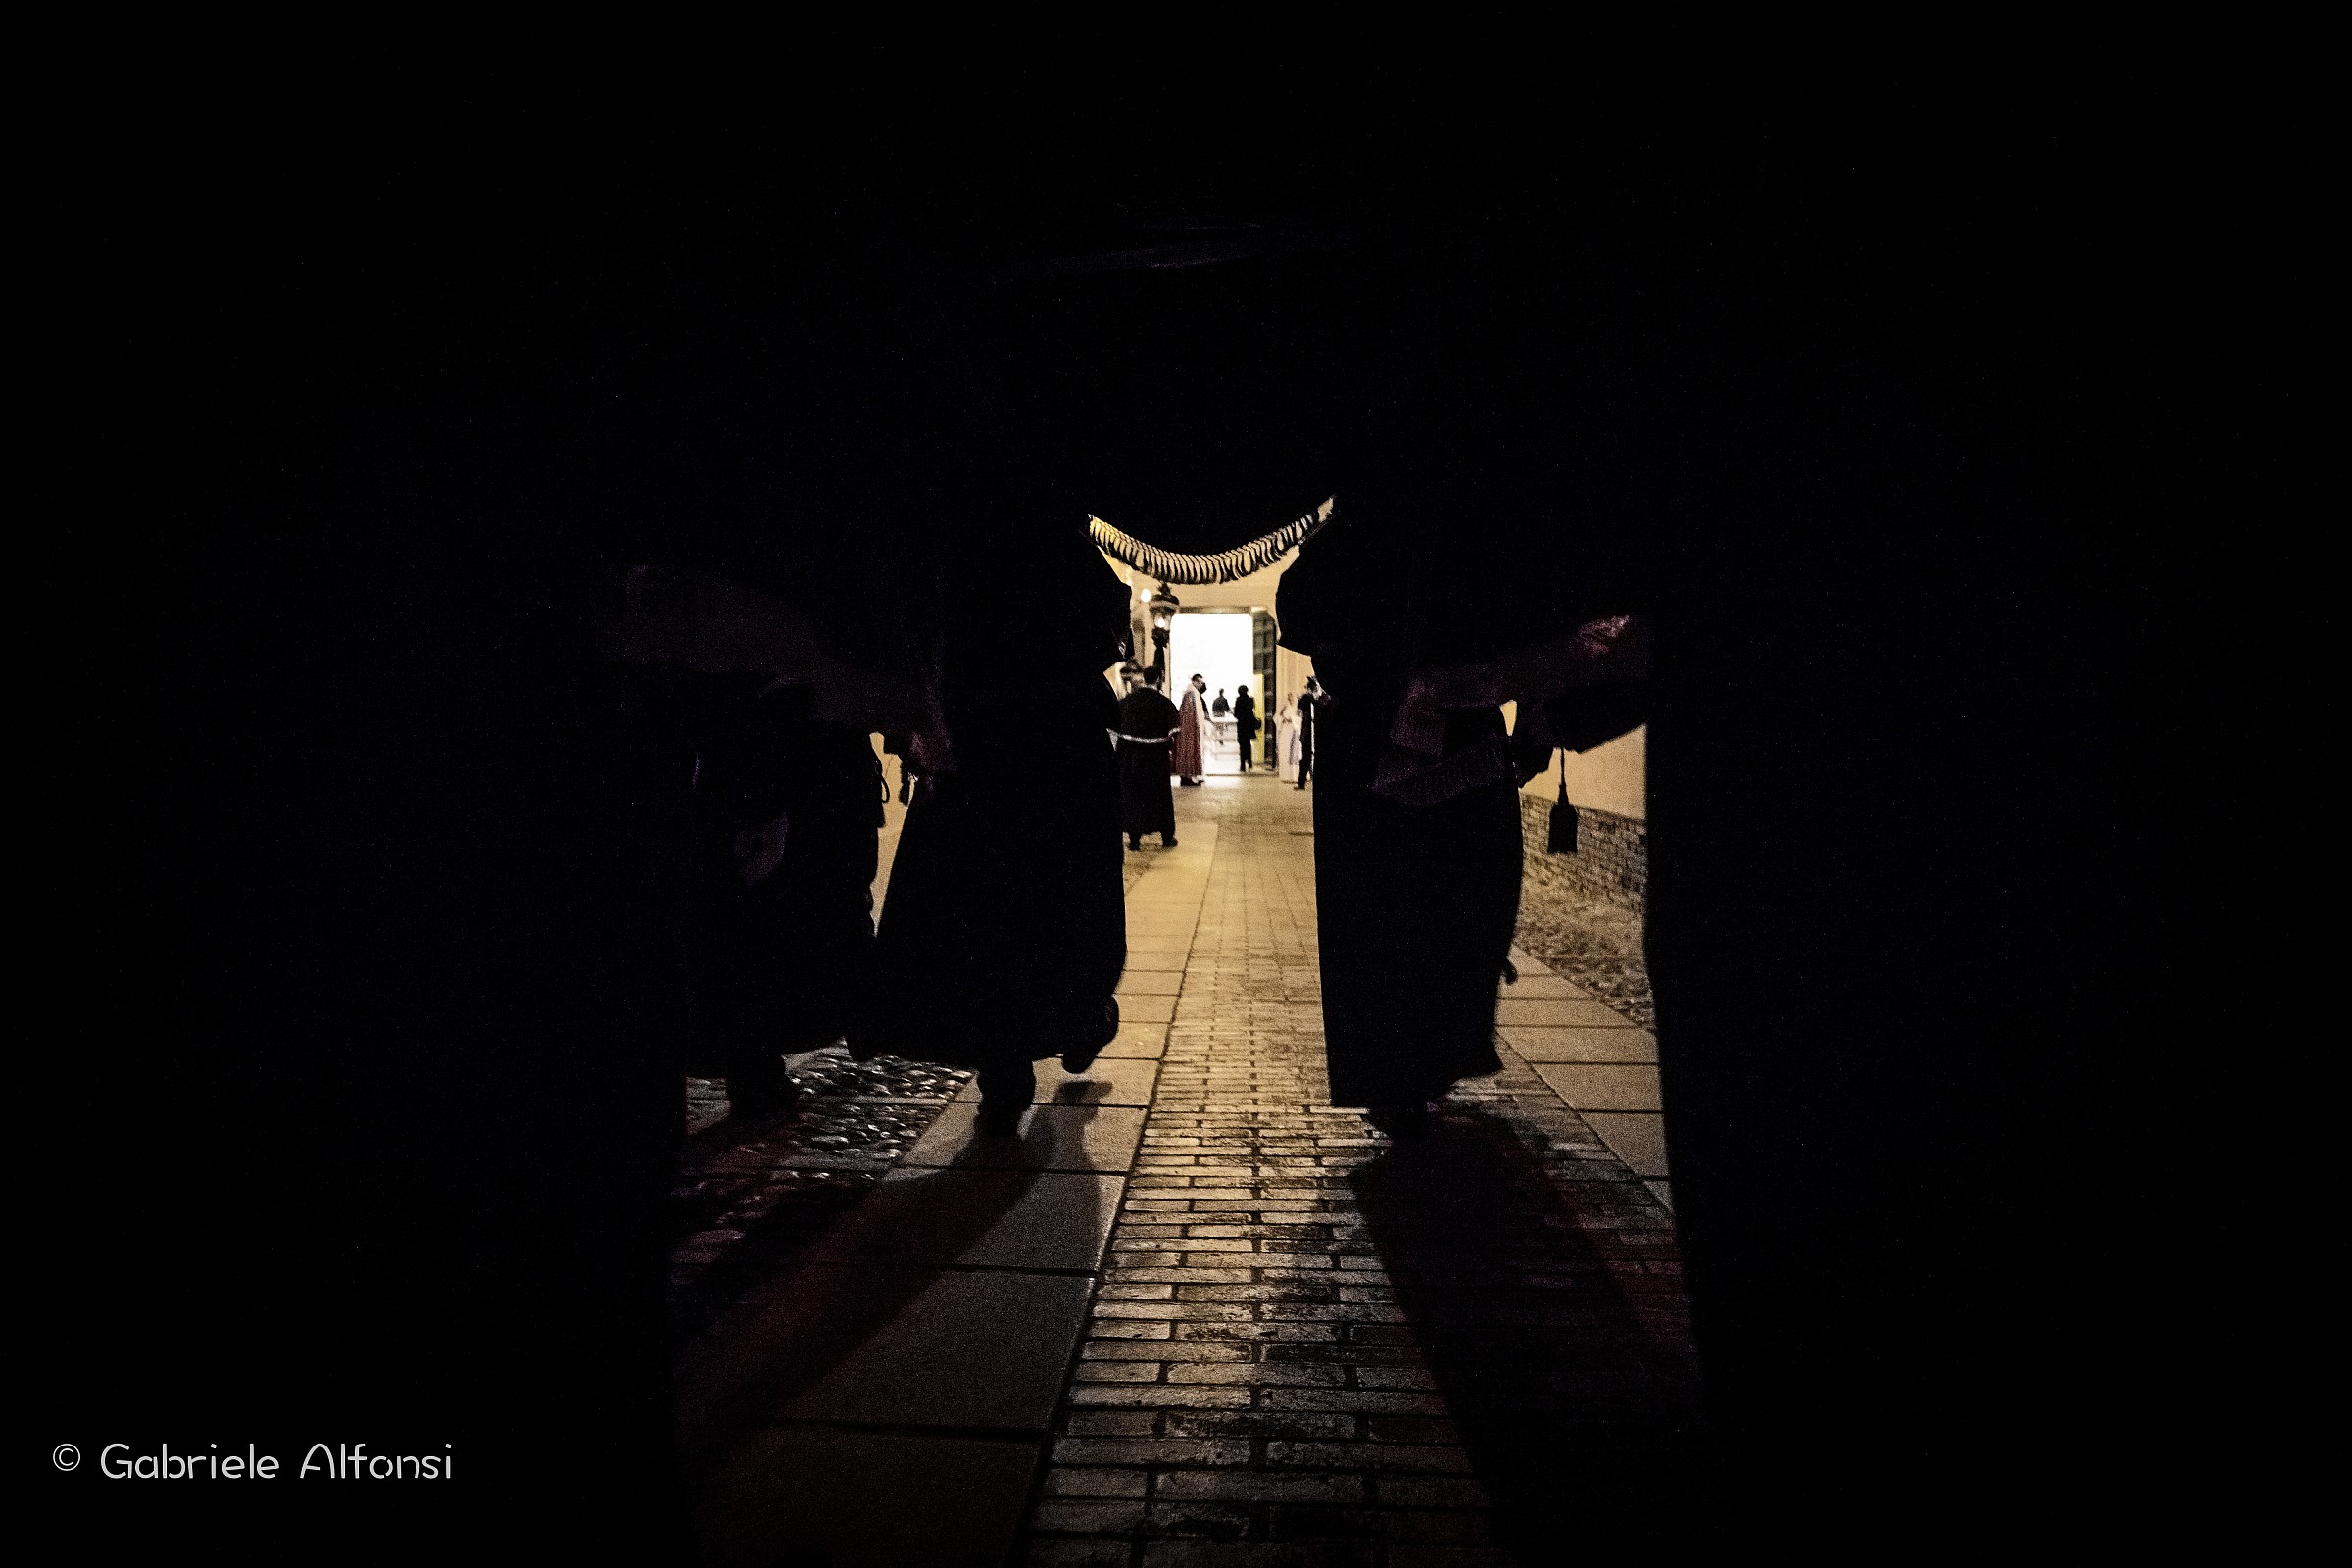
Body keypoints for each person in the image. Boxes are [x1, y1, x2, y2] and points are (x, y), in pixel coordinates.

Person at [861, 518, 1127, 1136]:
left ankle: (1010, 1059)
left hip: (980, 749)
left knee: (985, 910)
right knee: (1064, 900)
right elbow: (1106, 629)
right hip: (1055, 752)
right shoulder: (1063, 550)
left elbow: (920, 643)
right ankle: (1077, 1016)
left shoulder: (957, 554)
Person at [1116, 667, 1181, 849]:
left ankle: (1134, 839)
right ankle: (1167, 837)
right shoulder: (1165, 704)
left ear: (1143, 678)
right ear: (1158, 679)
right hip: (1157, 758)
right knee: (1160, 795)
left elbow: (1115, 727)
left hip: (1132, 757)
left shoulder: (1127, 702)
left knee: (1134, 795)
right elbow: (1174, 733)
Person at [1170, 671, 1207, 785]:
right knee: (1189, 753)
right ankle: (1188, 777)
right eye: (1199, 682)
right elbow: (1188, 715)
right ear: (1194, 682)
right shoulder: (1191, 694)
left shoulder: (1194, 694)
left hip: (1192, 729)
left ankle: (1192, 777)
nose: (1201, 684)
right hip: (1190, 730)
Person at [1294, 674, 1322, 789]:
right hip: (1308, 733)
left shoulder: (1323, 698)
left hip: (1318, 732)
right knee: (1306, 758)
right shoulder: (1307, 697)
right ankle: (1301, 782)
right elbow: (1300, 706)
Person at [1233, 682, 1259, 770]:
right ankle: (1250, 763)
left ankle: (1242, 765)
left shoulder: (1238, 700)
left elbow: (1236, 714)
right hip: (1249, 725)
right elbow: (1252, 711)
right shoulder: (1251, 700)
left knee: (1242, 745)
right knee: (1248, 744)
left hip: (1241, 725)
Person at [1275, 695, 1301, 782]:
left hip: (1294, 731)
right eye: (1289, 697)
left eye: (1291, 697)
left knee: (1294, 753)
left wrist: (1292, 720)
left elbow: (1300, 719)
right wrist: (1283, 719)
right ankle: (1286, 776)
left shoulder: (1297, 707)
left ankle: (1294, 776)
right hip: (1285, 731)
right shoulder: (1284, 707)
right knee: (1285, 752)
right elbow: (1277, 717)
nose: (1290, 698)